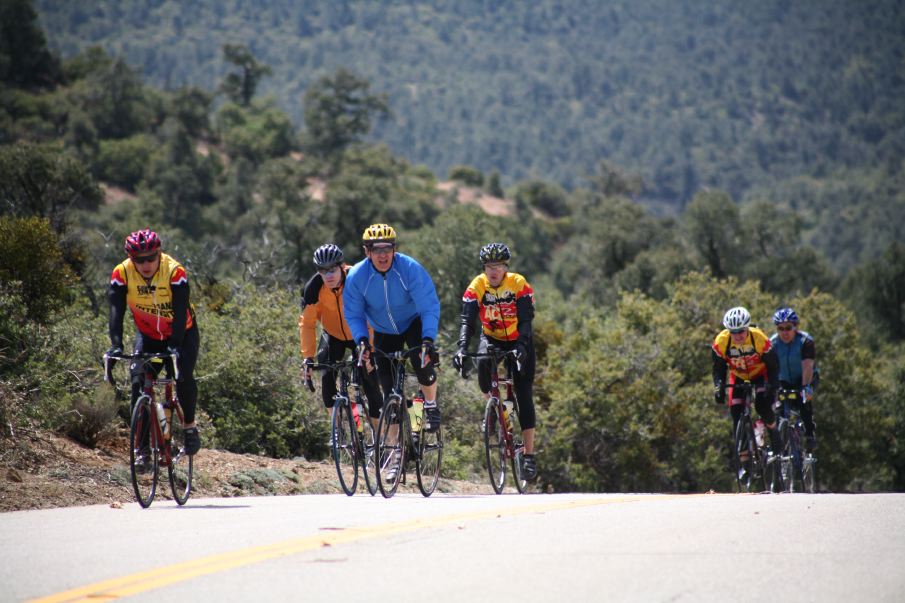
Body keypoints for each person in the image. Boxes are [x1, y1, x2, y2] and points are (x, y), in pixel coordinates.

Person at [343, 224, 441, 450]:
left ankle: (431, 404)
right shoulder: (358, 276)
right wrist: (361, 340)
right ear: (367, 251)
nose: (382, 255)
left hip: (412, 323)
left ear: (394, 249)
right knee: (389, 396)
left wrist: (428, 339)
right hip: (383, 330)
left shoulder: (409, 269)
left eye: (387, 248)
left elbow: (428, 306)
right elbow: (354, 313)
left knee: (421, 361)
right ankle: (396, 452)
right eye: (376, 249)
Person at [107, 228, 201, 456]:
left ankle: (189, 427)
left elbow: (180, 312)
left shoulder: (174, 272)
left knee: (183, 376)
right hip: (148, 336)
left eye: (151, 258)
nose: (146, 264)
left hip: (182, 333)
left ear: (159, 253)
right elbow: (115, 311)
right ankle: (142, 450)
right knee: (139, 386)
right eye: (139, 260)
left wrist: (175, 343)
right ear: (131, 259)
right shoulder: (122, 274)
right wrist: (116, 345)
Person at [453, 242, 538, 481]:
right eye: (489, 266)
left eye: (498, 266)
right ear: (484, 267)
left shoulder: (519, 284)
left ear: (505, 267)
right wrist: (461, 348)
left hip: (519, 339)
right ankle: (496, 410)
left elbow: (526, 321)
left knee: (523, 392)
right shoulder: (477, 286)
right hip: (491, 338)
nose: (493, 270)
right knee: (482, 370)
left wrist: (521, 346)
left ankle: (529, 456)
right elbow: (467, 321)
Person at [299, 243, 382, 428]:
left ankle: (379, 438)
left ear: (342, 266)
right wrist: (307, 358)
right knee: (327, 377)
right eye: (322, 270)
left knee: (370, 384)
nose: (328, 275)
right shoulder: (313, 290)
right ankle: (337, 430)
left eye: (332, 269)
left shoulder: (357, 279)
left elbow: (373, 313)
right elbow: (307, 325)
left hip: (361, 334)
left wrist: (370, 347)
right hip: (333, 335)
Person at [711, 306, 781, 458]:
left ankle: (773, 431)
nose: (737, 335)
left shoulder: (759, 338)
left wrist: (773, 384)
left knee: (763, 406)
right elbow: (719, 368)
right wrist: (718, 386)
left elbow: (773, 365)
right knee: (736, 413)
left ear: (747, 328)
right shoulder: (721, 341)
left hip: (761, 374)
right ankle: (744, 459)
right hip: (738, 376)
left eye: (741, 331)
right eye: (733, 331)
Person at [770, 307, 818, 451]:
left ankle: (809, 435)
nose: (784, 332)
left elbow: (807, 366)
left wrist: (806, 387)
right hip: (783, 378)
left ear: (795, 327)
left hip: (804, 377)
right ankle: (780, 440)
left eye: (788, 328)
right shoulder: (773, 343)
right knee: (778, 407)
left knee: (804, 400)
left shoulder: (805, 341)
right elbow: (770, 368)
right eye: (780, 328)